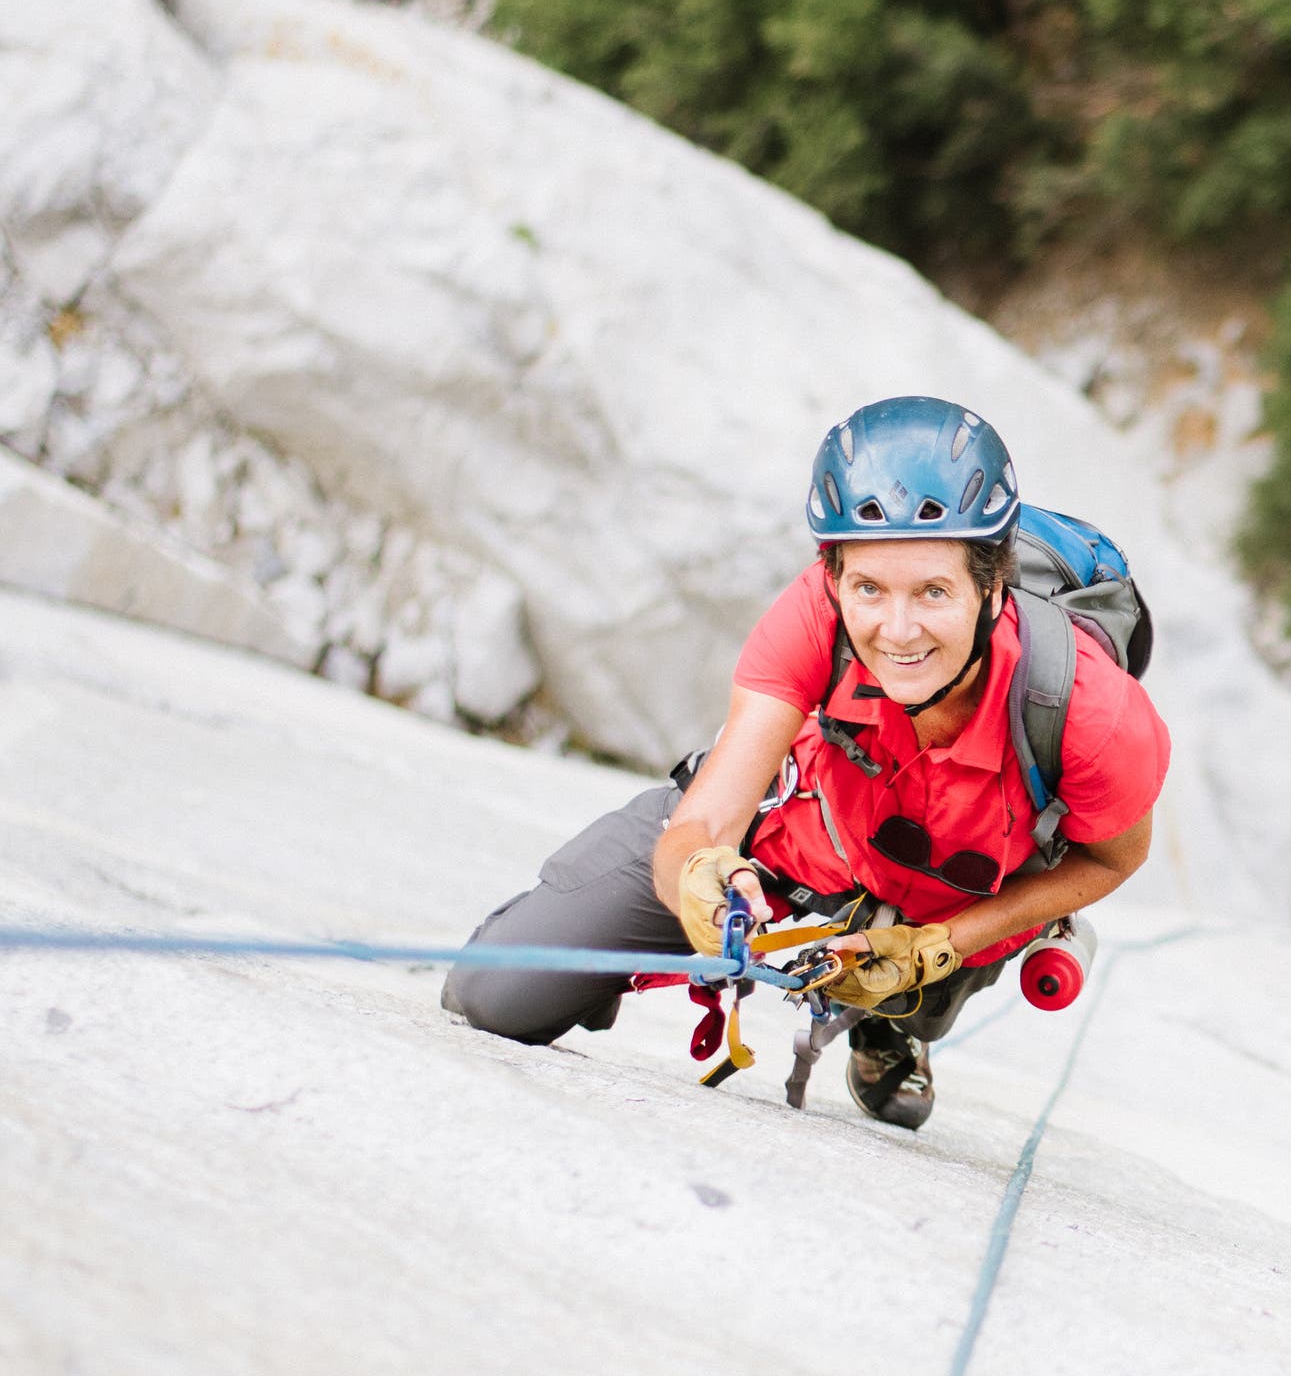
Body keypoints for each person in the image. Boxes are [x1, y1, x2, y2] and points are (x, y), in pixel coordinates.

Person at [442, 395, 1169, 1127]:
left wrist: (941, 946)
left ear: (992, 586)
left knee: (918, 996)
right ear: (833, 577)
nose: (898, 629)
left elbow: (1110, 860)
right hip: (790, 843)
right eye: (868, 589)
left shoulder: (1088, 710)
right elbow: (705, 820)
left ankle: (894, 1022)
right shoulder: (811, 619)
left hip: (949, 899)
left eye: (934, 592)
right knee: (495, 997)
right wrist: (698, 872)